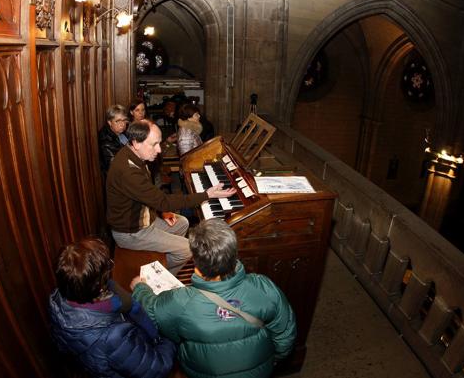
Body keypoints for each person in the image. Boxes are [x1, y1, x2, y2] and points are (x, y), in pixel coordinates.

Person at [131, 219, 297, 378]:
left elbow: (152, 309)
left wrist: (139, 288)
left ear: (197, 264)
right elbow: (285, 332)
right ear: (234, 254)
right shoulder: (263, 286)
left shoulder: (180, 301)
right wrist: (274, 359)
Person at [106, 120, 236, 275]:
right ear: (136, 143)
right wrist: (207, 194)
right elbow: (164, 201)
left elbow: (148, 196)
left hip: (144, 218)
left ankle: (165, 257)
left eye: (159, 143)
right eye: (154, 144)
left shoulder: (133, 154)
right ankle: (160, 278)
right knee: (188, 249)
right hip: (131, 231)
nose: (159, 150)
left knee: (182, 223)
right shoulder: (128, 171)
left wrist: (161, 212)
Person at [48, 237, 176, 378]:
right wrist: (170, 338)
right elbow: (157, 368)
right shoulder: (114, 337)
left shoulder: (57, 299)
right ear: (99, 287)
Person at [98, 105, 129, 176]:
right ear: (109, 122)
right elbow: (115, 165)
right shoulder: (106, 139)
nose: (122, 124)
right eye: (117, 121)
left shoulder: (121, 132)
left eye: (124, 120)